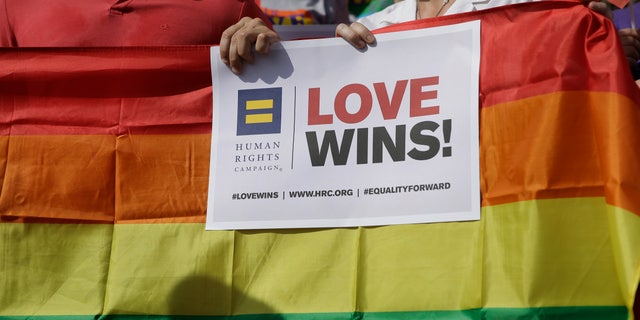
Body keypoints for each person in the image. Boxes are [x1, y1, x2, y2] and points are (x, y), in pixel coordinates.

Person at [0, 0, 275, 47]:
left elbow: (287, 105)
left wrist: (272, 51)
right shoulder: (13, 6)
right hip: (44, 198)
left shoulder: (228, 7)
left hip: (183, 198)